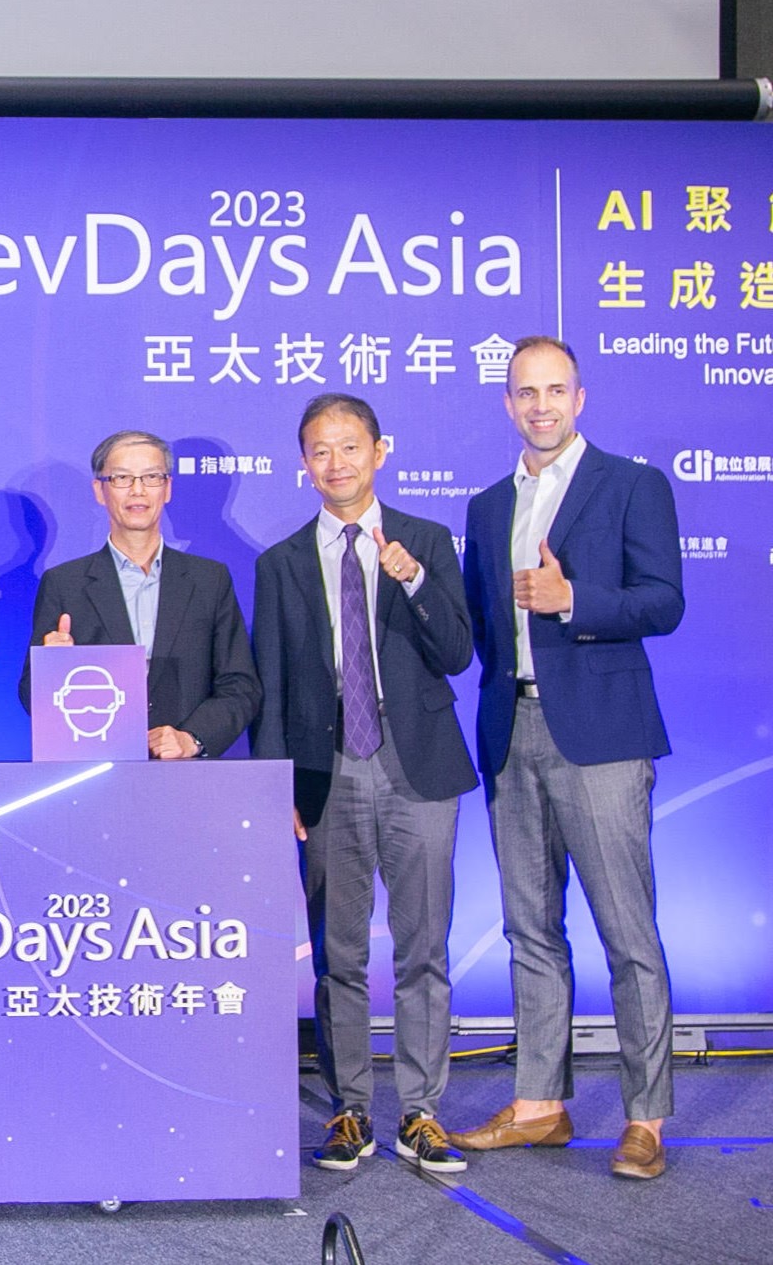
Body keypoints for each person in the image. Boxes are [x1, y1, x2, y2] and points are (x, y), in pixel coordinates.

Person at [449, 336, 684, 1180]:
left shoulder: (631, 485)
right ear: (507, 403)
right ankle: (540, 1104)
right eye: (525, 392)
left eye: (555, 390)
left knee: (628, 931)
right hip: (512, 731)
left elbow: (664, 602)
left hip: (603, 736)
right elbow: (482, 624)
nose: (540, 406)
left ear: (579, 398)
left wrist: (573, 598)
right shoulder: (486, 507)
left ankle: (646, 1117)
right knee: (530, 930)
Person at [250, 394, 477, 1174]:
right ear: (303, 463)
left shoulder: (426, 540)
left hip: (418, 764)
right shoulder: (280, 562)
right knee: (337, 951)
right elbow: (272, 683)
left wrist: (412, 580)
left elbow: (457, 653)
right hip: (328, 769)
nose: (336, 462)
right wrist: (277, 783)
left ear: (380, 450)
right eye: (320, 450)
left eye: (349, 446)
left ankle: (422, 1111)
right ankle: (350, 1107)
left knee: (424, 946)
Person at [22, 430, 260, 758]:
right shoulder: (65, 584)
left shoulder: (209, 580)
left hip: (187, 772)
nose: (138, 490)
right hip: (97, 766)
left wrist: (192, 738)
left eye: (151, 477)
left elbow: (240, 685)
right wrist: (52, 668)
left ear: (167, 488)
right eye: (122, 478)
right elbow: (30, 695)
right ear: (100, 490)